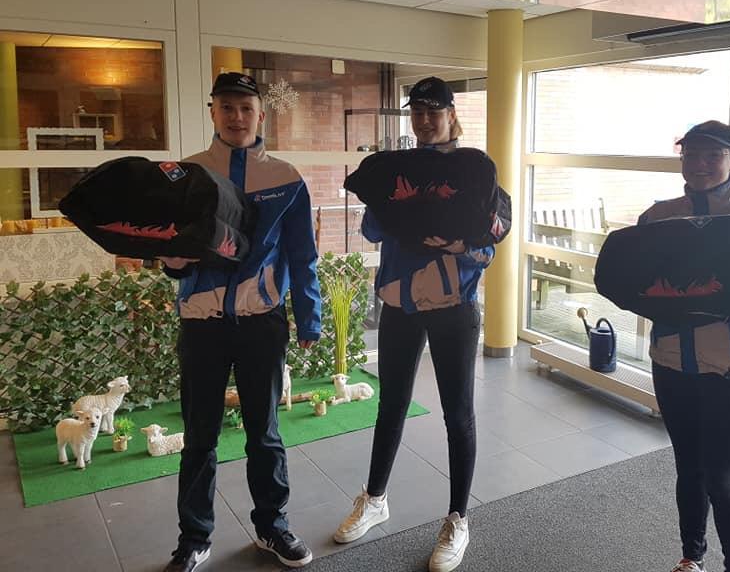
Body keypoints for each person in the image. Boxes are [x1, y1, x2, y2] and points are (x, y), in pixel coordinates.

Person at [333, 76, 501, 572]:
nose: (425, 120)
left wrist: (458, 245)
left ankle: (458, 519)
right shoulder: (395, 173)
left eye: (434, 111)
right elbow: (371, 229)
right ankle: (375, 499)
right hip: (401, 305)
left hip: (454, 306)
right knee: (392, 403)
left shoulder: (475, 172)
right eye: (418, 112)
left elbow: (488, 247)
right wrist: (392, 206)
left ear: (451, 116)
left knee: (457, 414)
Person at [158, 72, 323, 572]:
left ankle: (273, 527)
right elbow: (171, 253)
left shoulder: (285, 178)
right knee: (199, 437)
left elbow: (303, 255)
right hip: (202, 324)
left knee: (264, 434)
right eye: (226, 107)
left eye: (245, 108)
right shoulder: (186, 174)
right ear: (212, 111)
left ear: (260, 115)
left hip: (260, 322)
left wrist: (309, 318)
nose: (236, 117)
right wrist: (174, 261)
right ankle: (194, 539)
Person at [636, 120, 730, 572]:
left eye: (713, 155)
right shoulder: (657, 218)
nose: (700, 163)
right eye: (692, 154)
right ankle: (691, 557)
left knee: (723, 480)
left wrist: (721, 302)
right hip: (672, 361)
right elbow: (635, 282)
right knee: (689, 469)